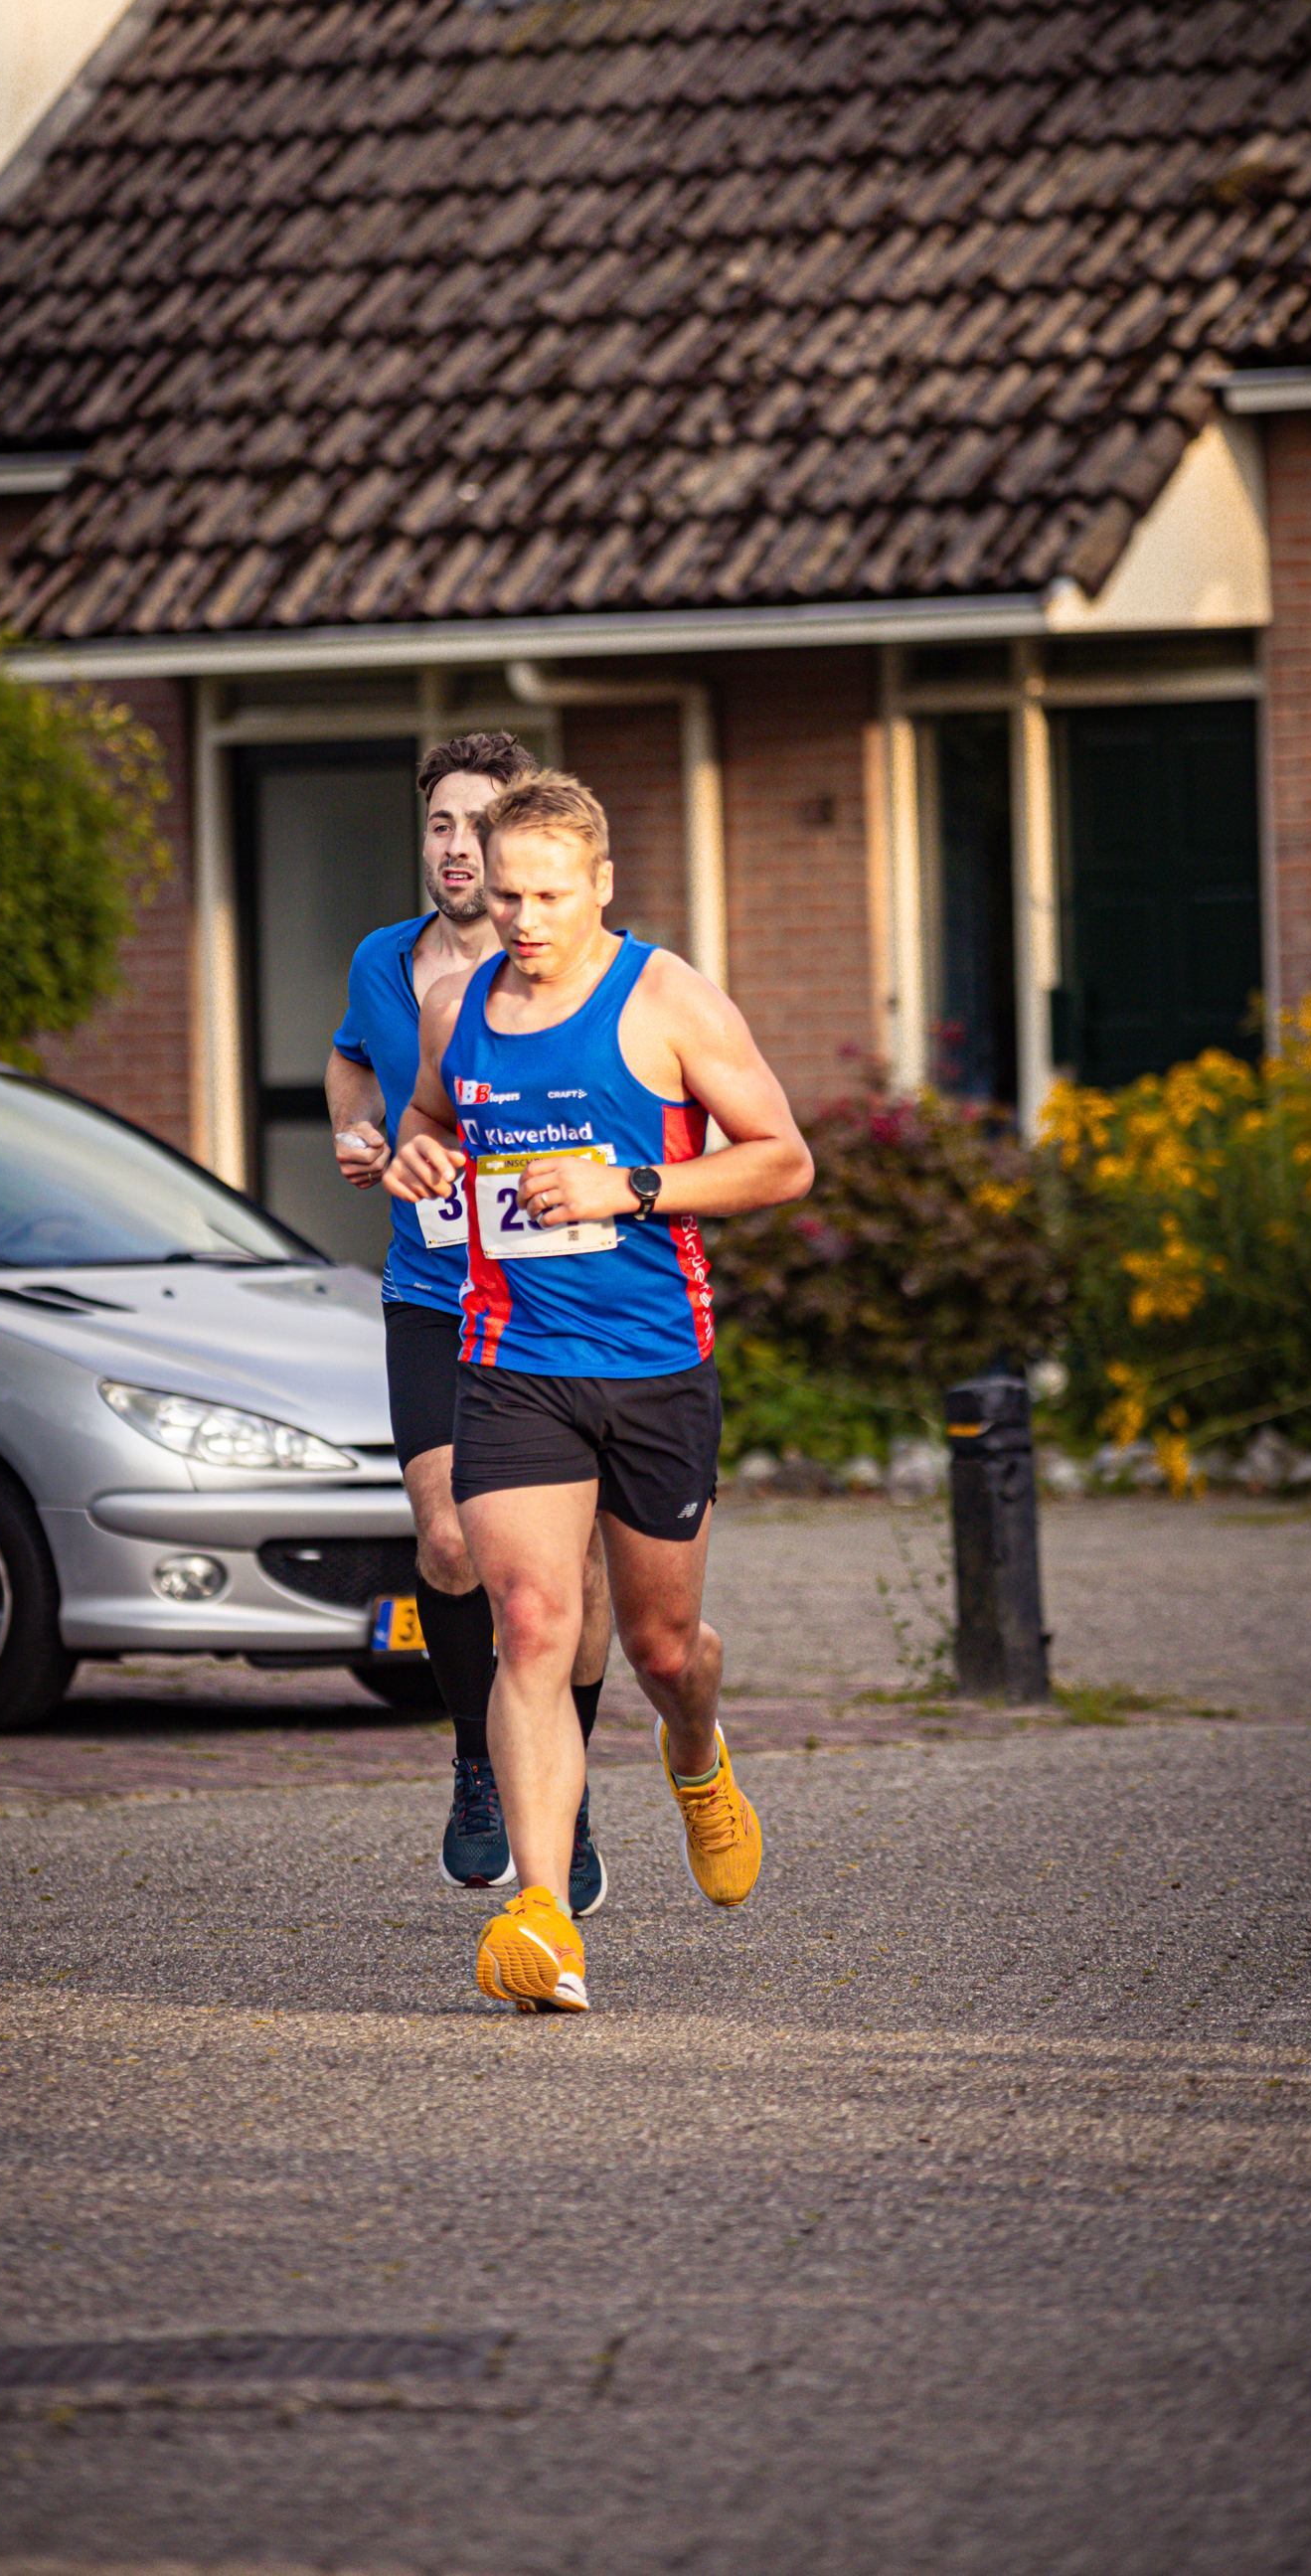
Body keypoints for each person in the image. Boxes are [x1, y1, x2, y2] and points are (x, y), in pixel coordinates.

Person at [386, 769, 814, 2013]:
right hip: (510, 1363)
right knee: (530, 1622)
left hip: (652, 1369)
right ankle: (540, 1912)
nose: (523, 920)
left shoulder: (665, 998)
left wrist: (630, 1188)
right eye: (507, 894)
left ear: (601, 885)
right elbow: (428, 1125)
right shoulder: (458, 1004)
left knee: (661, 1647)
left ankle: (694, 1754)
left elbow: (781, 1159)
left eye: (548, 896)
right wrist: (413, 1152)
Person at [325, 733, 613, 1915]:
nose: (453, 847)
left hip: (561, 1297)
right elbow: (350, 1068)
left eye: (475, 827)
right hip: (433, 1291)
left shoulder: (578, 973)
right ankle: (475, 1764)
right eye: (438, 825)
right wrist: (364, 1138)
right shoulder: (384, 963)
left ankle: (566, 1786)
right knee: (446, 1544)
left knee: (574, 1581)